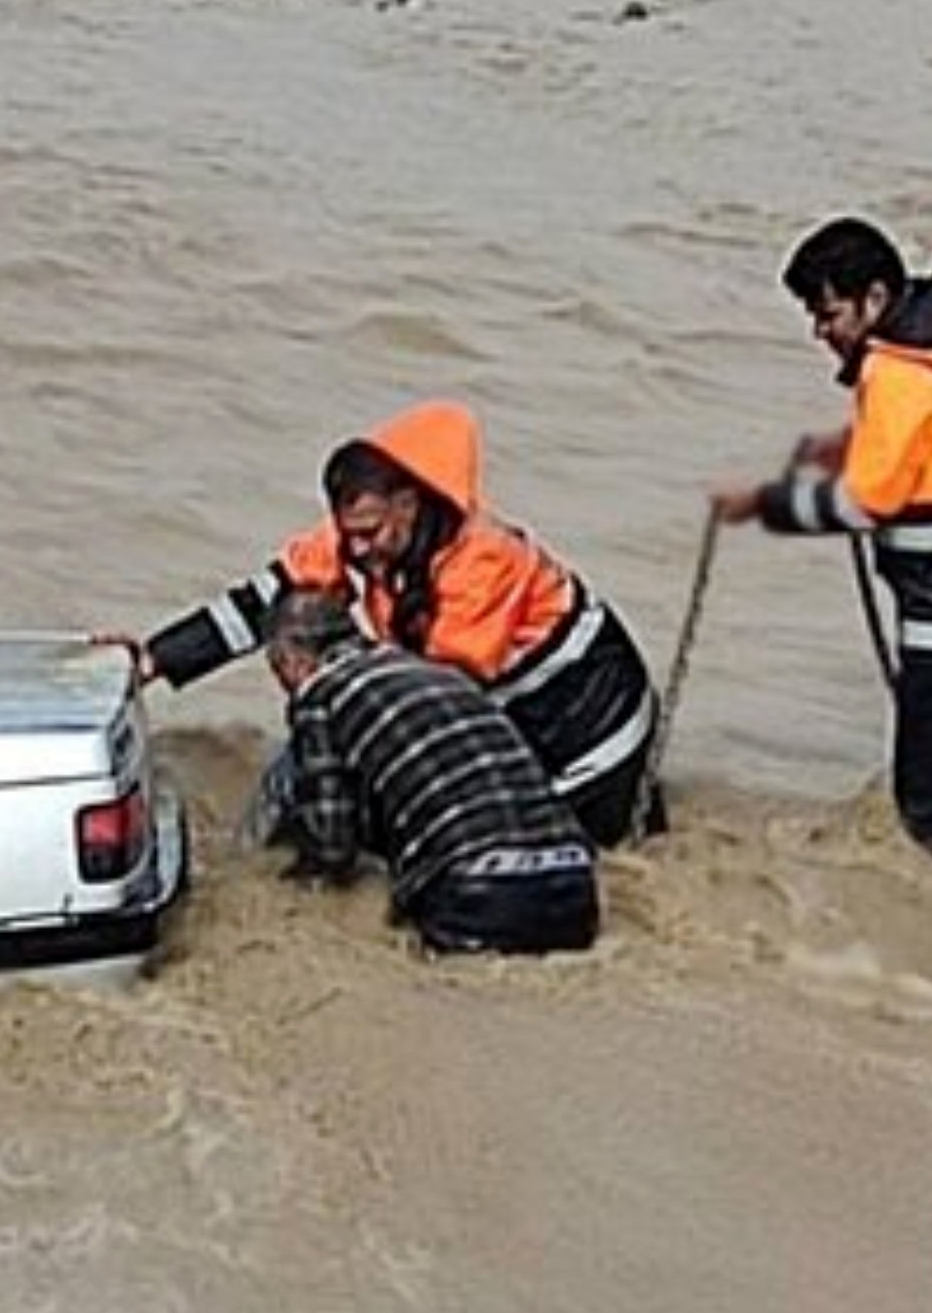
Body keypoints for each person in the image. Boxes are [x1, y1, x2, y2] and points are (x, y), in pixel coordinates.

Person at [123, 399, 664, 846]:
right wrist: (153, 659)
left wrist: (329, 705)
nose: (357, 549)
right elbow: (262, 599)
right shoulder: (361, 532)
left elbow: (436, 694)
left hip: (590, 737)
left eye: (371, 532)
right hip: (510, 711)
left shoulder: (485, 561)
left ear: (407, 505)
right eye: (348, 532)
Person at [709, 217, 932, 871]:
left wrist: (762, 503)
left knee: (924, 811)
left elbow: (861, 503)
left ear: (873, 299)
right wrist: (850, 446)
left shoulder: (896, 375)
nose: (820, 331)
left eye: (827, 311)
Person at [258, 588, 600, 956]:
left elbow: (331, 845)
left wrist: (278, 885)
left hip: (482, 897)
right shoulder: (437, 672)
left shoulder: (321, 694)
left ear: (291, 660)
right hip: (575, 891)